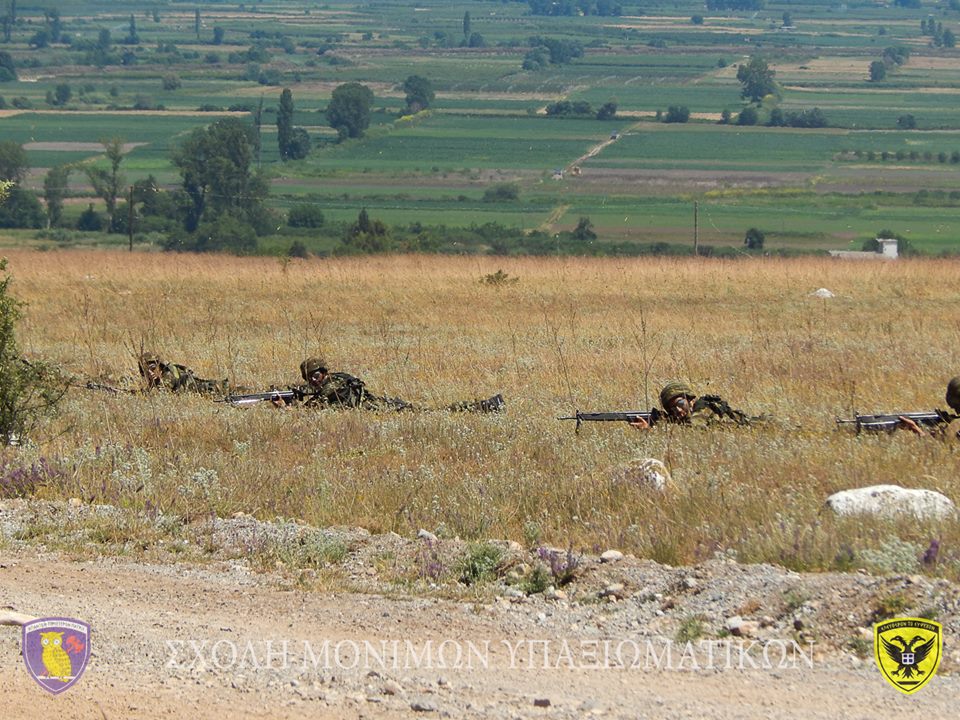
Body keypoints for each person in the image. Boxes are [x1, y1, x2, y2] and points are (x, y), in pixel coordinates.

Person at [285, 356, 504, 413]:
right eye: (309, 378)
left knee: (436, 411)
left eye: (315, 375)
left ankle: (485, 406)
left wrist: (293, 404)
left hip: (384, 409)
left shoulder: (335, 381)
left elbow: (319, 402)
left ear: (323, 372)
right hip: (383, 407)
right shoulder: (328, 385)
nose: (313, 380)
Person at [630, 380, 755, 429]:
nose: (678, 410)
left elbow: (694, 429)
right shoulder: (682, 418)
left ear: (691, 400)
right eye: (672, 408)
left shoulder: (703, 408)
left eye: (680, 403)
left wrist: (650, 430)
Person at [138, 351, 227, 395]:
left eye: (153, 368)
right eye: (146, 371)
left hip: (207, 389)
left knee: (226, 388)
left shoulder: (168, 376)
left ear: (159, 366)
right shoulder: (157, 378)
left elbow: (159, 395)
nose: (150, 373)